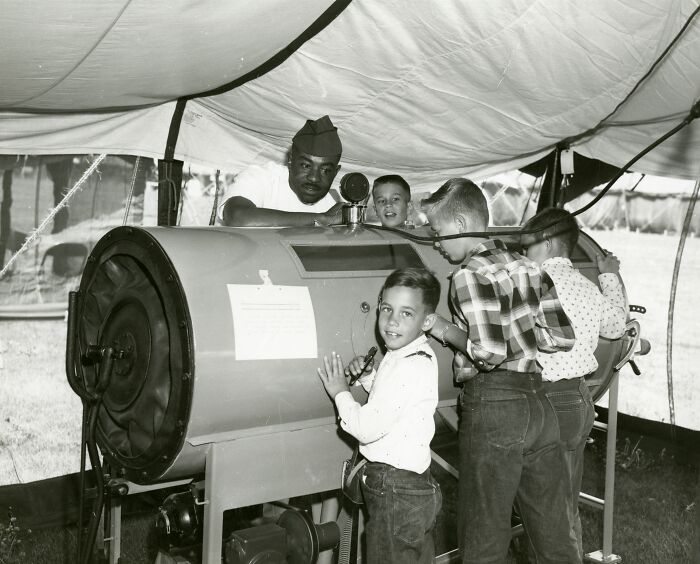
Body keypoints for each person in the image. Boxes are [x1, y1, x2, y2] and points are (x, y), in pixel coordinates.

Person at [420, 178, 581, 564]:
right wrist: (519, 334)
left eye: (438, 232)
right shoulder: (529, 266)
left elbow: (488, 353)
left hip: (496, 409)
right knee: (554, 536)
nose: (436, 243)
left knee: (484, 538)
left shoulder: (467, 275)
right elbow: (561, 338)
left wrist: (444, 329)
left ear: (460, 224)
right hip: (539, 404)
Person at [521, 207, 627, 558]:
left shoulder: (534, 283)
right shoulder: (585, 286)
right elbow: (614, 327)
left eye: (527, 247)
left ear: (547, 244)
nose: (524, 254)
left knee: (543, 509)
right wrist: (610, 276)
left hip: (545, 399)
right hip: (579, 399)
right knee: (565, 502)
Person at [317, 267, 442, 564]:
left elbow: (366, 427)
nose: (392, 321)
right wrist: (370, 375)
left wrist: (339, 392)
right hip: (413, 487)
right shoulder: (409, 356)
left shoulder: (407, 365)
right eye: (387, 309)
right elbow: (396, 404)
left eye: (406, 313)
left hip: (395, 492)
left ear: (428, 321)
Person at [220, 115, 345, 227]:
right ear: (290, 160)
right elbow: (237, 217)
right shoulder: (261, 177)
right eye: (306, 166)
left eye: (326, 170)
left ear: (336, 172)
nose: (314, 178)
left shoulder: (334, 203)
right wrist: (322, 219)